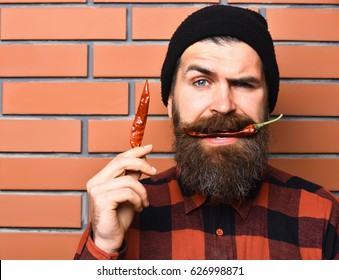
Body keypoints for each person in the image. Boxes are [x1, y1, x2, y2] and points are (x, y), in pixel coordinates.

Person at [74, 5, 339, 260]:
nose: (223, 106)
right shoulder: (122, 215)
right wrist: (105, 245)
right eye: (201, 82)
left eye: (244, 84)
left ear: (267, 107)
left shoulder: (320, 214)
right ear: (170, 104)